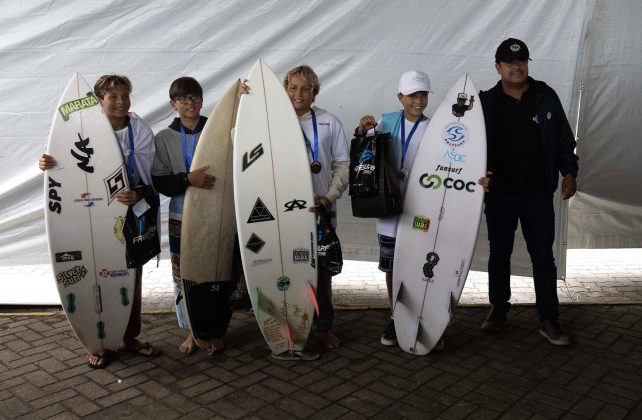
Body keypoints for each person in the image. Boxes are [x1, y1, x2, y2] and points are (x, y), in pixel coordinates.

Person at [39, 74, 160, 368]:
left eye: (125, 96)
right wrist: (49, 164)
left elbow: (149, 175)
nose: (121, 102)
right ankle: (97, 341)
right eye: (113, 97)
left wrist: (138, 192)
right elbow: (66, 167)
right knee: (89, 271)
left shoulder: (138, 129)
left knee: (129, 277)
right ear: (99, 101)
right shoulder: (80, 129)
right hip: (89, 215)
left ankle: (128, 337)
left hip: (128, 216)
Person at [477, 38, 579, 346]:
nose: (516, 66)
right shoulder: (485, 102)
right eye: (509, 62)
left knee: (543, 257)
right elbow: (467, 146)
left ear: (527, 64)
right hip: (500, 195)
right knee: (500, 253)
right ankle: (499, 307)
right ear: (498, 67)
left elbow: (564, 137)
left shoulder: (545, 96)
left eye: (521, 61)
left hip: (537, 193)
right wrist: (477, 175)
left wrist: (570, 171)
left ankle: (549, 318)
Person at [151, 77, 247, 355]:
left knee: (219, 269)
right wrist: (187, 179)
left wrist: (240, 99)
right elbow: (159, 182)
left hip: (220, 212)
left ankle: (215, 327)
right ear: (173, 104)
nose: (191, 103)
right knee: (184, 274)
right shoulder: (164, 138)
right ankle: (192, 330)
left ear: (203, 100)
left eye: (196, 98)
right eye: (184, 99)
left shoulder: (220, 130)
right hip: (183, 215)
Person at [356, 70, 441, 349]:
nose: (418, 100)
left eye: (423, 94)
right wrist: (362, 128)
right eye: (412, 95)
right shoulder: (387, 121)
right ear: (400, 97)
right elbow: (364, 146)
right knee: (391, 265)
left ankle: (422, 319)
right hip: (389, 205)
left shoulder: (435, 126)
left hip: (420, 208)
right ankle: (396, 316)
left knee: (420, 263)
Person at [283, 65, 350, 350]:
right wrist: (247, 102)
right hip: (284, 212)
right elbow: (239, 139)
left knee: (321, 272)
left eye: (306, 88)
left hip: (319, 211)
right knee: (286, 269)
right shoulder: (270, 120)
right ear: (285, 90)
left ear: (314, 91)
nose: (299, 94)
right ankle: (287, 325)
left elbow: (343, 165)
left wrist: (329, 196)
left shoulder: (329, 122)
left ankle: (322, 328)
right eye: (293, 87)